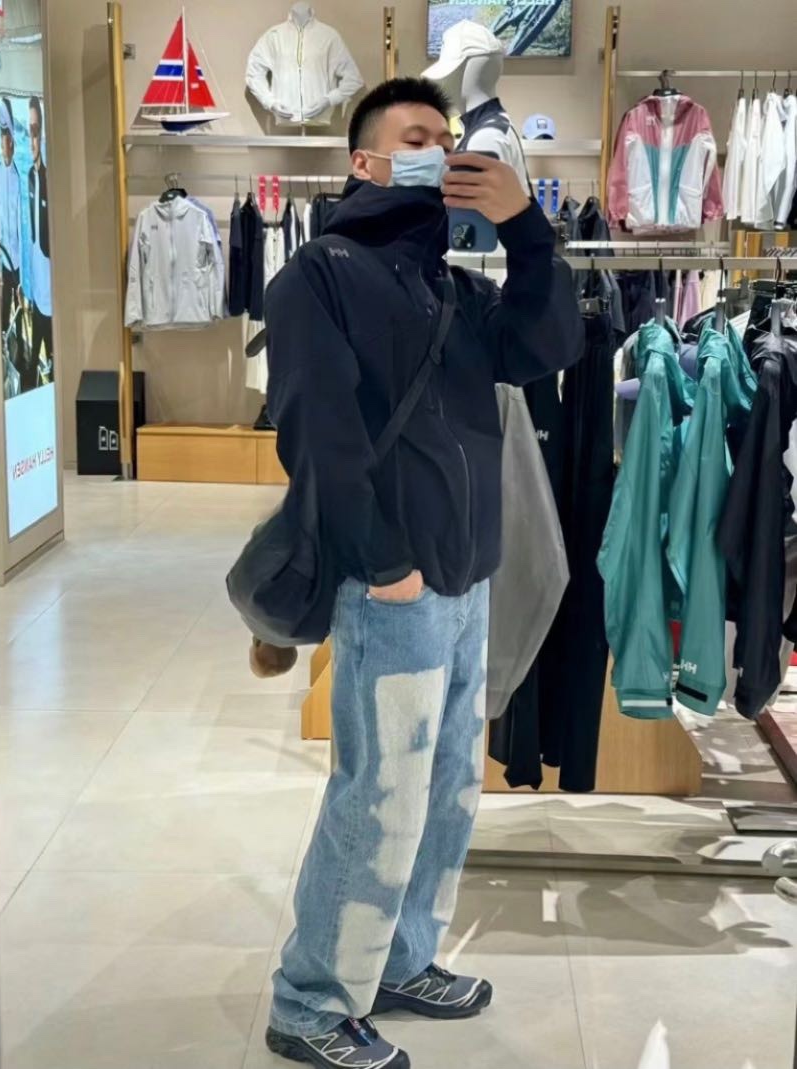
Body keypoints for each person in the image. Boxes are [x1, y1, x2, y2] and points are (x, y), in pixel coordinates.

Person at [263, 77, 582, 1069]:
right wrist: (385, 561)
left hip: (466, 578)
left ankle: (400, 959)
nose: (439, 151)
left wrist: (526, 230)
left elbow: (548, 346)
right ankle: (310, 1001)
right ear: (365, 161)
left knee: (446, 791)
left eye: (447, 138)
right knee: (378, 798)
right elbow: (317, 435)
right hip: (393, 584)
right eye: (416, 137)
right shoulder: (317, 276)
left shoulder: (456, 287)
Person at [27, 95, 52, 387]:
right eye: (29, 131)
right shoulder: (30, 178)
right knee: (32, 363)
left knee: (56, 370)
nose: (32, 139)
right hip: (36, 291)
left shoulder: (49, 180)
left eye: (36, 131)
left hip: (52, 297)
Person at [0, 97, 21, 337]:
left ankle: (19, 340)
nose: (6, 143)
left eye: (8, 137)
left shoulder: (18, 174)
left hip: (19, 258)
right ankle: (4, 339)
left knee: (20, 308)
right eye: (3, 137)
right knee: (4, 312)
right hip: (4, 256)